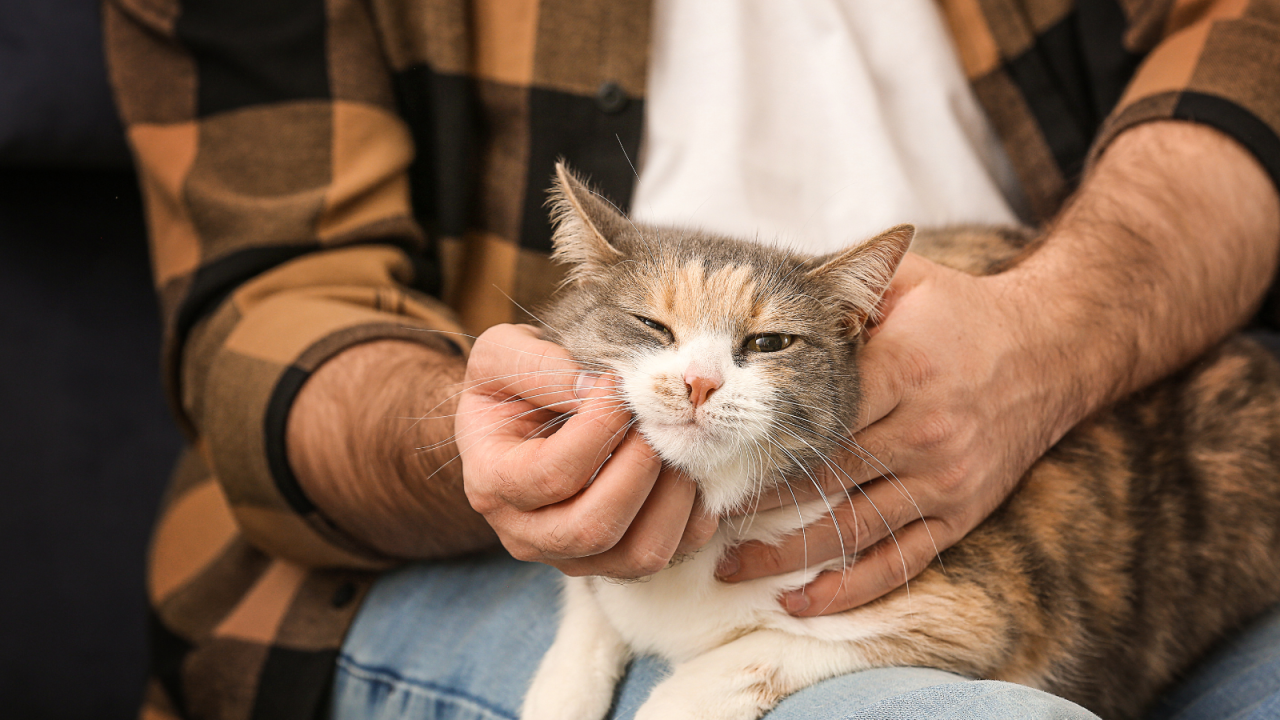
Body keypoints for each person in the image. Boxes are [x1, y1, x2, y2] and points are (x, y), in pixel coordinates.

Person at [104, 0, 1280, 718]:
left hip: (1084, 436)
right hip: (441, 555)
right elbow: (263, 320)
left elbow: (1251, 39)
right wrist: (469, 450)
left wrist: (1050, 336)